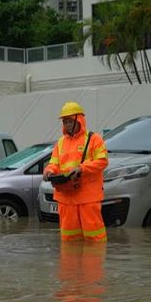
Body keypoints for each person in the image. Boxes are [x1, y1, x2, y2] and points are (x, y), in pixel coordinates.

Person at [43, 101, 109, 242]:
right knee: (69, 239)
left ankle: (93, 263)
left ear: (79, 120)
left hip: (88, 198)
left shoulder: (94, 139)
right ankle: (70, 264)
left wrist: (82, 168)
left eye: (69, 121)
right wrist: (49, 170)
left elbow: (102, 161)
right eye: (64, 121)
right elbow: (54, 162)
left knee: (94, 238)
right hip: (66, 197)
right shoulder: (61, 142)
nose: (66, 124)